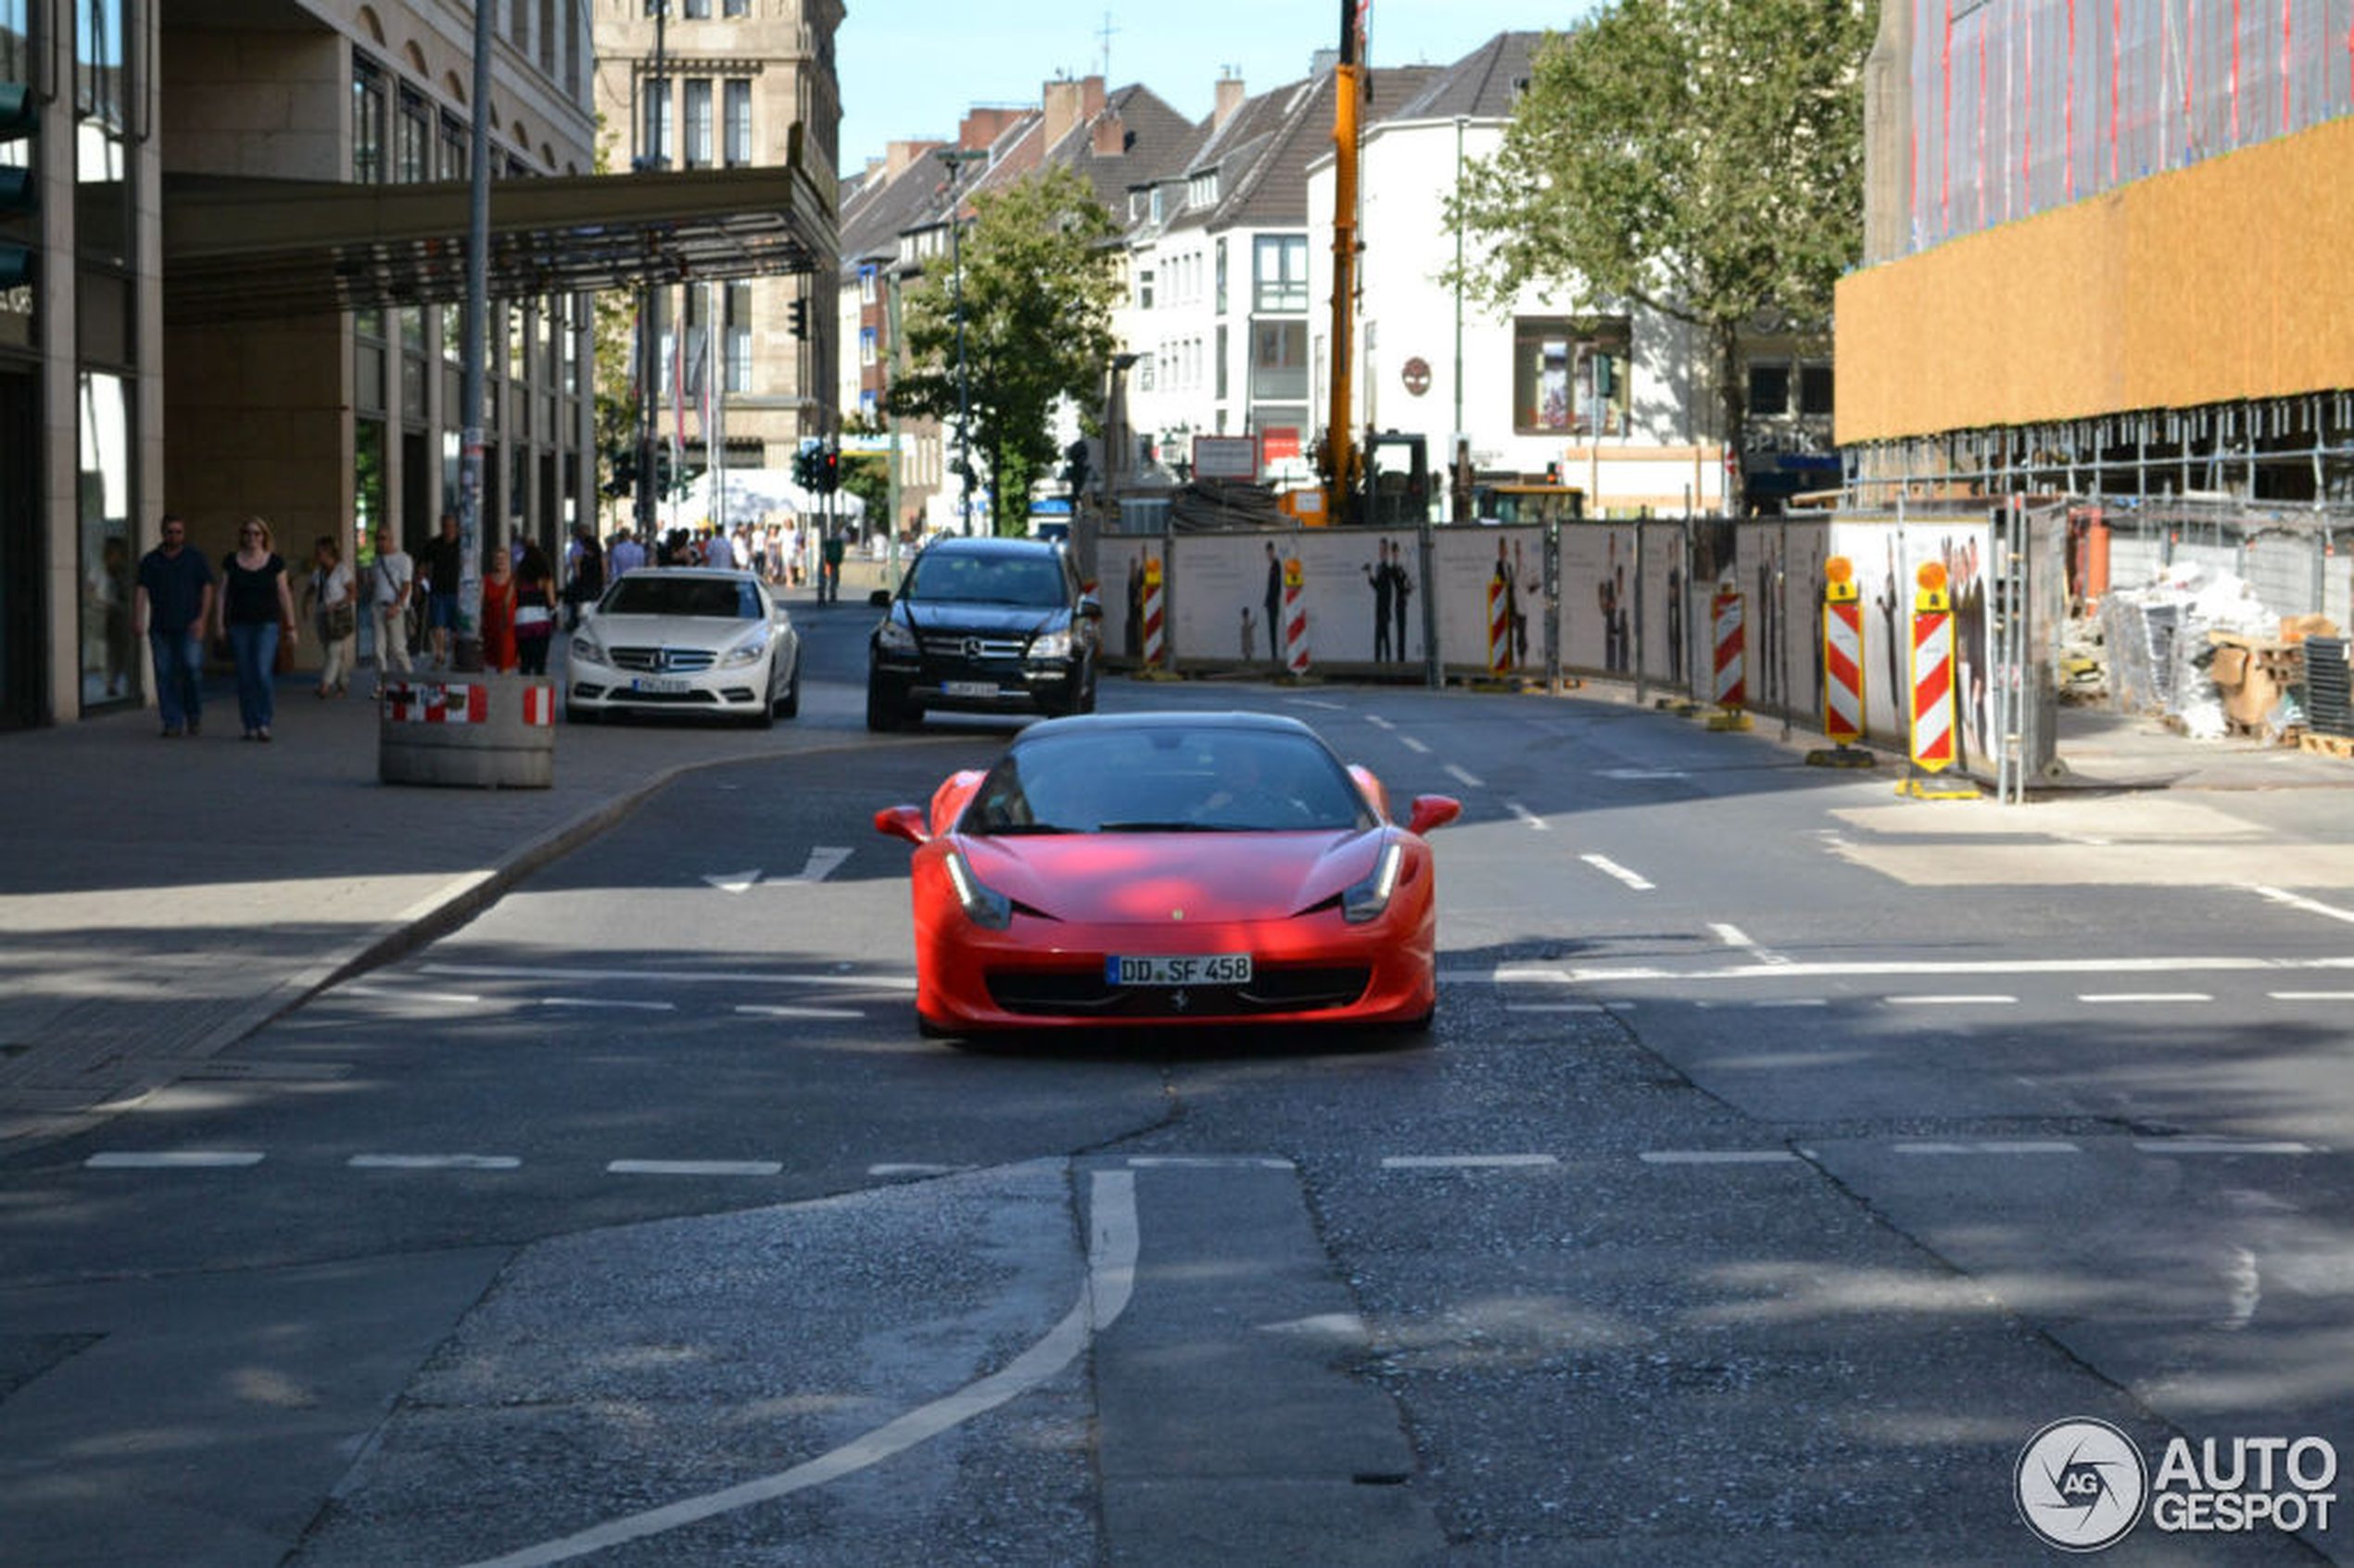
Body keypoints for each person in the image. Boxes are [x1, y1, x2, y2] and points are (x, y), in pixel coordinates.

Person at [214, 514, 297, 740]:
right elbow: (222, 594)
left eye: (257, 533)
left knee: (261, 672)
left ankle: (264, 722)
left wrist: (291, 626)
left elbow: (284, 594)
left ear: (264, 536)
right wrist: (219, 623)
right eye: (247, 533)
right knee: (244, 675)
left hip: (267, 625)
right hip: (239, 625)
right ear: (242, 536)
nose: (252, 537)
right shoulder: (231, 561)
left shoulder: (275, 562)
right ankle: (249, 724)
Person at [133, 512, 215, 738]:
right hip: (160, 627)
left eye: (179, 532)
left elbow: (208, 587)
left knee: (191, 669)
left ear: (184, 533)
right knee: (164, 673)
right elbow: (141, 590)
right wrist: (138, 617)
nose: (174, 536)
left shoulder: (195, 558)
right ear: (162, 532)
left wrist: (203, 618)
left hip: (190, 626)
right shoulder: (150, 560)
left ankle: (194, 715)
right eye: (170, 531)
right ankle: (172, 721)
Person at [302, 534, 358, 697]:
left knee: (334, 650)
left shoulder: (342, 570)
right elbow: (310, 591)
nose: (316, 554)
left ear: (328, 552)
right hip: (322, 616)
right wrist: (305, 605)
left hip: (339, 616)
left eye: (318, 552)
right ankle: (343, 684)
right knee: (331, 651)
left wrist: (338, 603)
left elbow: (353, 593)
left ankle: (324, 686)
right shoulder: (318, 572)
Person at [419, 512, 462, 665]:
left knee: (456, 627)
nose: (448, 529)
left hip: (458, 592)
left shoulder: (462, 543)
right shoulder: (434, 544)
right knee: (438, 624)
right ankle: (440, 653)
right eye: (445, 526)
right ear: (441, 527)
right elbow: (423, 565)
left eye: (451, 526)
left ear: (456, 527)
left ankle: (457, 656)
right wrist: (422, 584)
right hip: (437, 591)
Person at [371, 525, 414, 675]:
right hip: (378, 607)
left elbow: (406, 585)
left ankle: (409, 680)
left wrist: (397, 606)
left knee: (398, 648)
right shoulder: (376, 560)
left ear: (391, 539)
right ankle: (381, 685)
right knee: (378, 649)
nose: (379, 542)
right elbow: (375, 582)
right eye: (377, 539)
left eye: (383, 538)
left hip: (395, 608)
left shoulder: (404, 559)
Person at [513, 541, 558, 675]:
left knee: (525, 663)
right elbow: (551, 602)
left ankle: (523, 691)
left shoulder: (519, 575)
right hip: (541, 622)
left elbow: (511, 597)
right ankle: (539, 692)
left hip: (522, 620)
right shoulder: (545, 578)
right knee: (540, 663)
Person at [480, 544, 518, 673]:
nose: (500, 561)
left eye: (503, 558)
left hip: (509, 627)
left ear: (508, 561)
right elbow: (480, 603)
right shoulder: (485, 580)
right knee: (494, 664)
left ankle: (503, 690)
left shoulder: (514, 580)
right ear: (493, 561)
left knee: (504, 665)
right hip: (490, 627)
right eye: (497, 558)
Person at [564, 526, 604, 628]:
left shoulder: (578, 550)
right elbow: (604, 567)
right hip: (596, 584)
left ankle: (579, 625)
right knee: (593, 607)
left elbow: (575, 567)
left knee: (582, 609)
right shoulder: (598, 552)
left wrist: (576, 578)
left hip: (584, 585)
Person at [1364, 539, 1395, 661]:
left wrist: (1387, 612)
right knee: (1381, 638)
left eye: (1383, 550)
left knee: (1383, 638)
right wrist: (1369, 574)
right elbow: (1378, 587)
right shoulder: (1380, 567)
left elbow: (1387, 592)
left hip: (1384, 610)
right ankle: (1380, 665)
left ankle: (1385, 664)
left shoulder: (1387, 568)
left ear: (1387, 552)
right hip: (1379, 609)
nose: (1381, 552)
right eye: (1380, 549)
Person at [1263, 541, 1283, 661]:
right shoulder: (1272, 565)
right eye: (1267, 552)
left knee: (1273, 628)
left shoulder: (1276, 564)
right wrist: (1266, 600)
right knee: (1271, 628)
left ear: (1273, 551)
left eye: (1270, 551)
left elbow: (1276, 585)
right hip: (1270, 602)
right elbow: (1270, 586)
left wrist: (1273, 599)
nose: (1268, 554)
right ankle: (1273, 654)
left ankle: (1274, 655)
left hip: (1274, 603)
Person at [821, 529, 846, 603]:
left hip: (829, 560)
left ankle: (827, 595)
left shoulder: (827, 541)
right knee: (834, 577)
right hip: (834, 561)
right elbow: (842, 551)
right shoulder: (838, 542)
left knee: (829, 578)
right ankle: (832, 595)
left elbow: (824, 550)